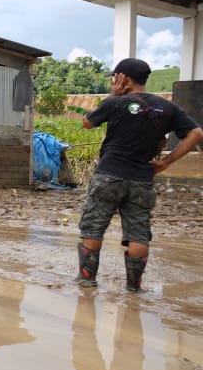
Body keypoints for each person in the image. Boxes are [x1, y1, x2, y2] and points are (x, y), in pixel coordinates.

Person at [75, 58, 202, 291]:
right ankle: (134, 288)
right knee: (138, 235)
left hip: (108, 176)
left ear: (123, 78)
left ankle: (86, 281)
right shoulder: (168, 108)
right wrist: (166, 161)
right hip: (142, 179)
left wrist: (113, 95)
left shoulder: (115, 102)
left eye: (115, 78)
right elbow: (196, 133)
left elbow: (86, 123)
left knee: (93, 228)